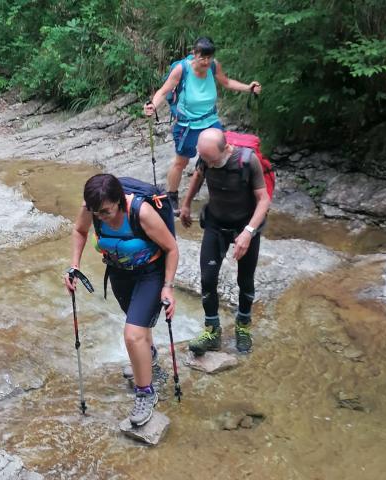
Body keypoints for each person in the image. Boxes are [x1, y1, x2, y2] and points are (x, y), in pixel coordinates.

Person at [64, 173, 178, 426]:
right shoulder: (92, 208)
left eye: (105, 212)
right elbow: (80, 231)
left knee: (132, 334)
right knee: (139, 326)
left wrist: (168, 287)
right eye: (96, 212)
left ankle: (145, 394)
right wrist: (74, 266)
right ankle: (149, 362)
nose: (100, 217)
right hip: (119, 274)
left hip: (150, 274)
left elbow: (171, 248)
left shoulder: (142, 212)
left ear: (119, 201)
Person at [144, 36, 262, 214]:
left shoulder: (214, 66)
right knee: (181, 162)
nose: (206, 62)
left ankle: (225, 193)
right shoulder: (181, 69)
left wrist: (249, 88)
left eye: (209, 57)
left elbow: (227, 82)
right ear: (194, 54)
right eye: (202, 58)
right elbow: (163, 91)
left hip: (210, 121)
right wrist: (153, 105)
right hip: (187, 125)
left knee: (222, 155)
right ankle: (172, 196)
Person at [180, 128, 270, 355]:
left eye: (211, 159)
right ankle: (212, 331)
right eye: (204, 158)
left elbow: (263, 199)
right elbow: (198, 175)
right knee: (207, 278)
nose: (207, 163)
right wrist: (186, 204)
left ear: (226, 149)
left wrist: (248, 232)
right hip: (216, 224)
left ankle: (243, 326)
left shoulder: (248, 162)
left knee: (245, 279)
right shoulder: (205, 159)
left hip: (245, 225)